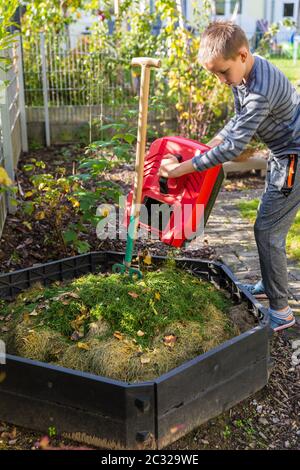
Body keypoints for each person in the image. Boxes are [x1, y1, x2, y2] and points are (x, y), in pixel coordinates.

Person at [159, 20, 300, 331]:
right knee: (267, 225)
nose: (221, 80)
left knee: (268, 231)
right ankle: (270, 283)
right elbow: (237, 123)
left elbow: (234, 147)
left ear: (242, 55)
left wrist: (181, 169)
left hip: (294, 157)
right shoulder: (247, 73)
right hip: (282, 153)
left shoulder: (260, 90)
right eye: (214, 74)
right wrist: (204, 147)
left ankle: (281, 312)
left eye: (222, 72)